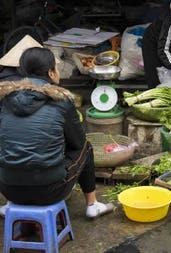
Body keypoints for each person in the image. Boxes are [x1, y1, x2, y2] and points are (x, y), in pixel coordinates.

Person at [0, 47, 114, 219]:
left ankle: (9, 204)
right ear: (51, 73)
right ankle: (92, 204)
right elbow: (77, 142)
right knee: (86, 147)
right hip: (50, 190)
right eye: (56, 68)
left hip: (8, 187)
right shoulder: (61, 100)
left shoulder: (5, 99)